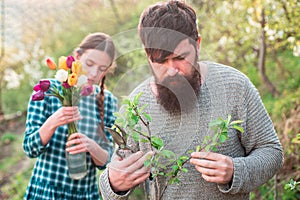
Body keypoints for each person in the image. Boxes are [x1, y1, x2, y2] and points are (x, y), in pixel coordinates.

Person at [99, 1, 283, 200]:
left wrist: (235, 171)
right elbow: (113, 175)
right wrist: (114, 183)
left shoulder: (235, 86)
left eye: (180, 58)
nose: (172, 70)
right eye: (160, 61)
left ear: (197, 44)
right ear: (147, 55)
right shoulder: (136, 105)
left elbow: (271, 151)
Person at [23, 32, 118, 199]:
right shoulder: (49, 91)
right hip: (46, 193)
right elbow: (30, 148)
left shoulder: (108, 101)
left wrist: (91, 146)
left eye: (102, 69)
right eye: (89, 63)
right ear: (77, 57)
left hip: (84, 195)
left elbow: (107, 162)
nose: (94, 73)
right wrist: (53, 122)